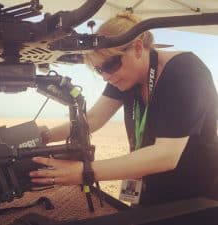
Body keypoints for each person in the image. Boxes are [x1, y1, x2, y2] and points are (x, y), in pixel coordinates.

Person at [29, 12, 218, 206]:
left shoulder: (186, 73)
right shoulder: (123, 74)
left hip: (195, 196)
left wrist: (84, 172)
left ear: (137, 48)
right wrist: (43, 138)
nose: (105, 76)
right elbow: (93, 118)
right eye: (98, 69)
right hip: (148, 184)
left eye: (109, 66)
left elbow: (167, 155)